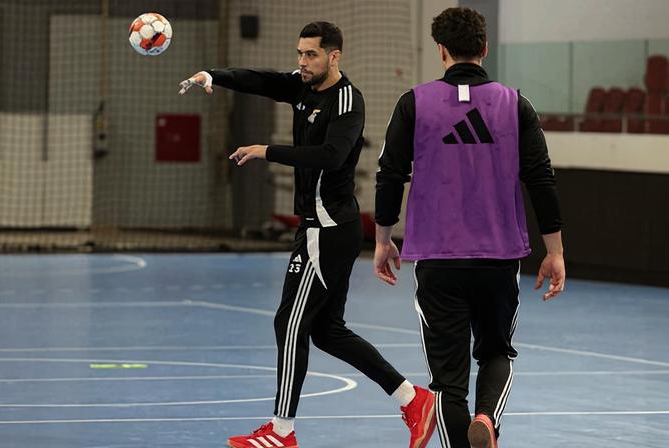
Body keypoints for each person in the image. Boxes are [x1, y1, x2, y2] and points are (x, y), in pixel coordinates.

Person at [180, 21, 436, 448]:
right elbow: (260, 80)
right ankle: (413, 399)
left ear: (334, 56)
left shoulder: (348, 100)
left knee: (291, 322)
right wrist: (214, 75)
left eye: (311, 54)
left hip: (328, 228)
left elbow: (333, 157)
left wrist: (267, 151)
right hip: (321, 227)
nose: (302, 62)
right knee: (328, 330)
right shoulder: (301, 86)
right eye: (300, 53)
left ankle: (282, 431)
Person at [373, 7, 566, 448]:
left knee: (446, 378)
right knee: (497, 352)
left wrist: (383, 239)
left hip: (437, 258)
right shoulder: (516, 104)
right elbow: (541, 178)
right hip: (498, 258)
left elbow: (389, 174)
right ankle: (487, 419)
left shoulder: (413, 103)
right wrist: (554, 251)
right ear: (484, 48)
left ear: (440, 49)